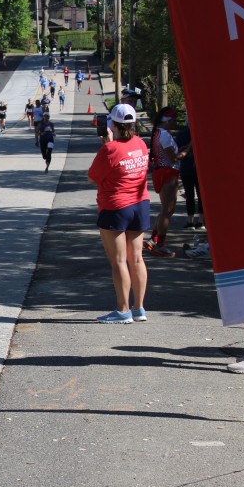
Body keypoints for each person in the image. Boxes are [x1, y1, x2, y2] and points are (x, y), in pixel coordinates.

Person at [87, 104, 150, 324]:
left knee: (119, 261)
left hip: (115, 206)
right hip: (140, 204)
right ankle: (139, 308)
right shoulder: (141, 143)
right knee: (137, 258)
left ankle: (123, 310)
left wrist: (107, 144)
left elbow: (92, 176)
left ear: (113, 124)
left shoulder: (109, 149)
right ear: (133, 124)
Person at [144, 107, 180, 258]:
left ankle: (154, 239)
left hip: (163, 171)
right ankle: (160, 244)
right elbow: (173, 158)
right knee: (168, 210)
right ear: (168, 120)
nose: (174, 123)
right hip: (168, 172)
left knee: (166, 209)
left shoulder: (158, 132)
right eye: (173, 120)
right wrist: (186, 151)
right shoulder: (164, 134)